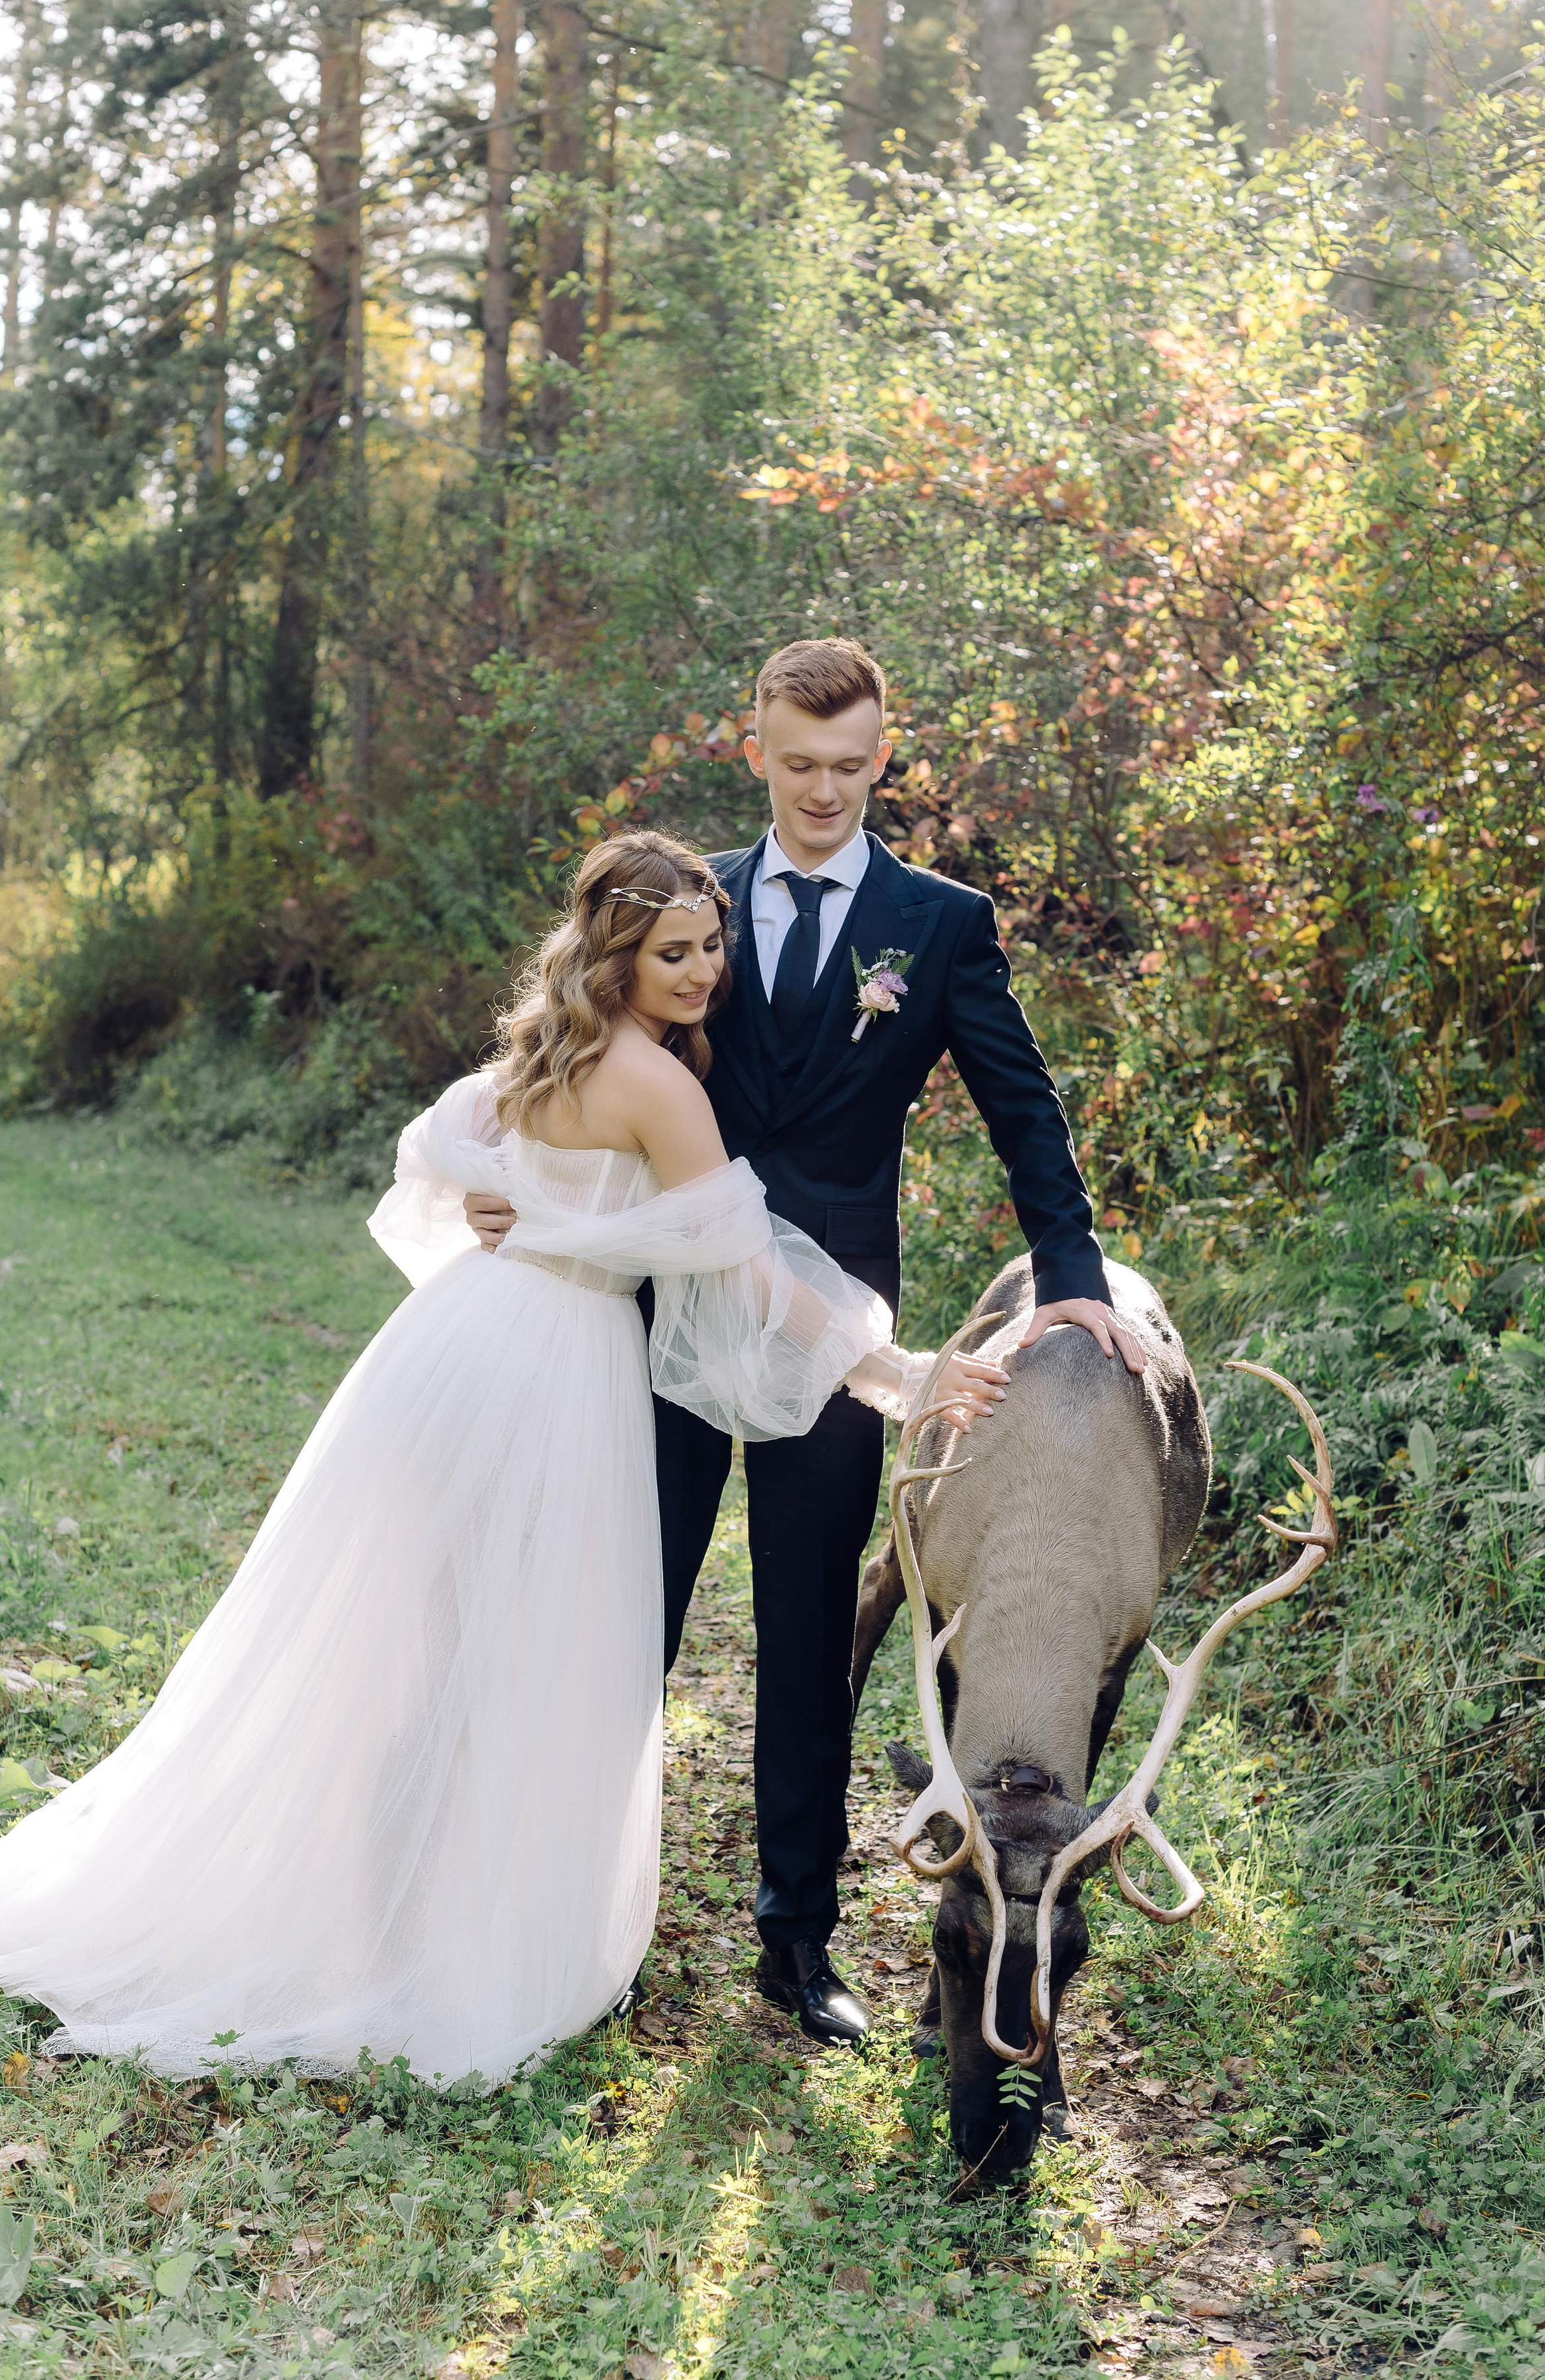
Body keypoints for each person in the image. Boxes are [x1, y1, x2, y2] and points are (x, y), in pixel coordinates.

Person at [0, 831, 1005, 2086]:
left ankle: (399, 1907)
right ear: (617, 954)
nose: (704, 972)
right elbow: (751, 1271)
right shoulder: (658, 1085)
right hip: (559, 1364)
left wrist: (502, 1203)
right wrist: (898, 1373)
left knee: (449, 1638)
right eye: (673, 953)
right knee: (533, 1650)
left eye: (712, 946)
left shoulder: (544, 1044)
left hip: (461, 1342)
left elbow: (438, 1144)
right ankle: (459, 1940)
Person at [465, 639, 1146, 2046]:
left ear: (882, 758)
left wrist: (1072, 1276)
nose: (822, 791)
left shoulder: (938, 923)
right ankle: (571, 1921)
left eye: (848, 766)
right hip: (657, 1302)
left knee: (805, 1634)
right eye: (797, 764)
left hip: (830, 1320)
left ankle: (794, 1939)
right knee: (628, 1612)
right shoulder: (686, 902)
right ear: (756, 751)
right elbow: (560, 1052)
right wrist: (514, 1186)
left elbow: (1022, 1106)